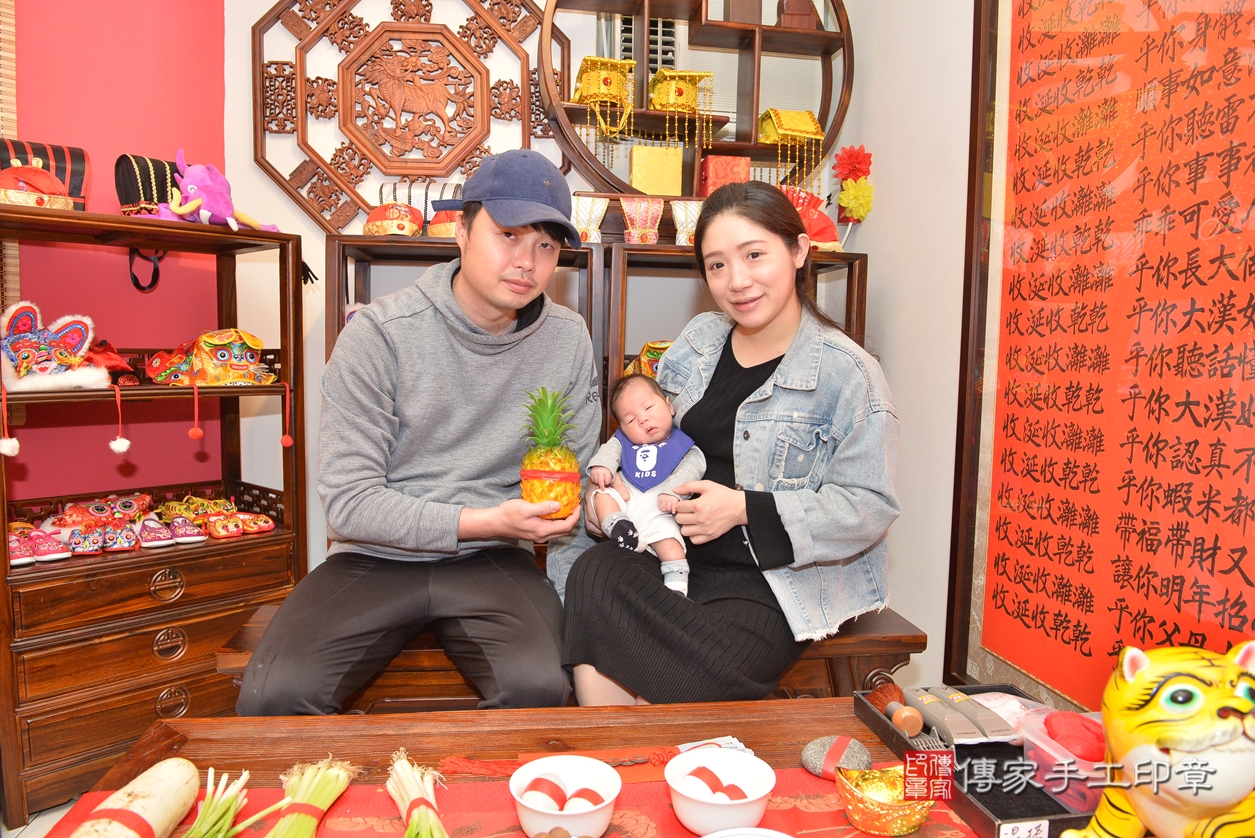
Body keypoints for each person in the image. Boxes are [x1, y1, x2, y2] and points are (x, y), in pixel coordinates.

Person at [237, 149, 601, 715]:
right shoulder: (378, 333)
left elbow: (571, 478)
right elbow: (349, 503)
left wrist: (566, 585)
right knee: (273, 696)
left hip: (493, 559)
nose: (527, 262)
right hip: (374, 556)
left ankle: (469, 776)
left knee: (540, 687)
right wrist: (484, 520)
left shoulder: (566, 337)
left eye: (546, 245)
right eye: (508, 235)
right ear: (462, 231)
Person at [564, 181, 900, 705]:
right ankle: (615, 741)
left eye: (754, 255)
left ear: (798, 251)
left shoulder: (848, 373)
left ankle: (627, 739)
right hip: (669, 554)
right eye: (717, 265)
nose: (737, 281)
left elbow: (869, 506)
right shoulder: (699, 340)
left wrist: (744, 509)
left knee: (679, 678)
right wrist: (609, 492)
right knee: (594, 573)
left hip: (770, 583)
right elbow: (644, 431)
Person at [588, 373, 707, 595]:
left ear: (669, 406)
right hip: (626, 501)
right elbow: (608, 451)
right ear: (622, 428)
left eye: (648, 408)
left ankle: (677, 588)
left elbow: (693, 468)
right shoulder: (622, 441)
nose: (642, 419)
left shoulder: (683, 446)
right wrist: (602, 467)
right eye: (630, 420)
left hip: (659, 511)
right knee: (602, 495)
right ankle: (617, 526)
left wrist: (673, 492)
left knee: (671, 545)